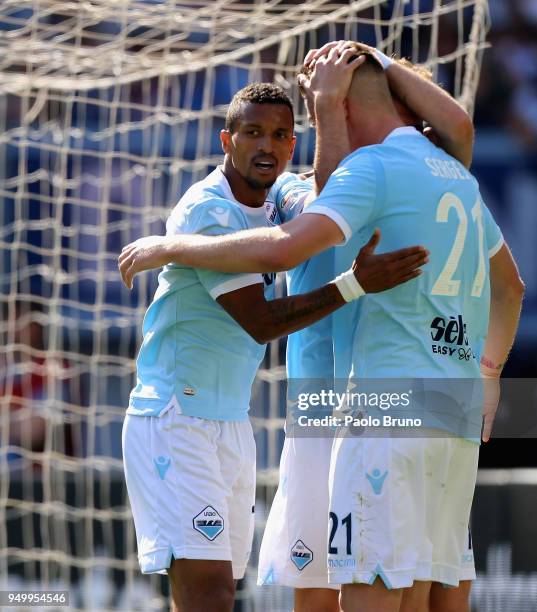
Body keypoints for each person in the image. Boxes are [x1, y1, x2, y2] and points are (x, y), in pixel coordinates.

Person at [120, 48, 524, 611]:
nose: (270, 146)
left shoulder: (359, 182)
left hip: (369, 409)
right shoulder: (416, 179)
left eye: (285, 132)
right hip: (340, 409)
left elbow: (303, 232)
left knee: (407, 593)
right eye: (256, 133)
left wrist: (346, 88)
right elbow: (457, 134)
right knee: (406, 593)